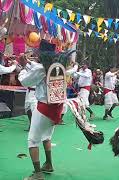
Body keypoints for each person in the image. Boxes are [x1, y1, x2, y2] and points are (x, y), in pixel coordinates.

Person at [18, 40, 65, 180]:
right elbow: (37, 67)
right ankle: (49, 164)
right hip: (56, 108)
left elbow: (25, 81)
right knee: (46, 137)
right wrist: (27, 63)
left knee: (32, 141)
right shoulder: (57, 66)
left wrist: (22, 68)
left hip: (43, 108)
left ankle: (38, 173)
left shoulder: (40, 69)